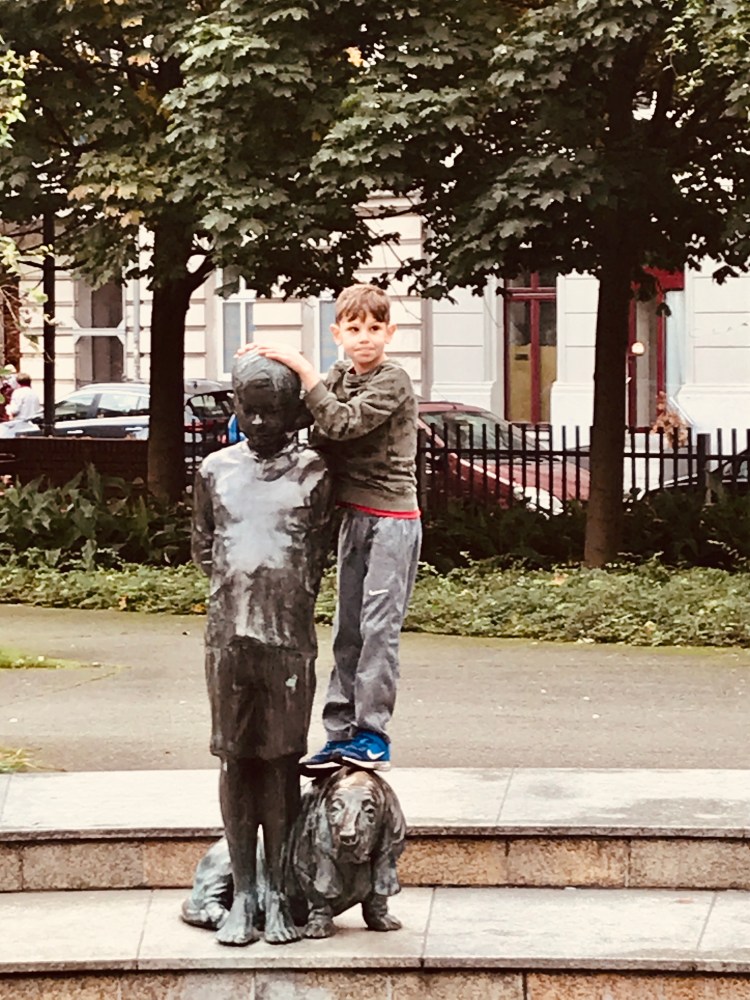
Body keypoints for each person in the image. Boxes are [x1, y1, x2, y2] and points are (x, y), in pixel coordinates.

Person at [250, 283, 422, 777]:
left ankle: (373, 735)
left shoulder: (393, 380)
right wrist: (265, 380)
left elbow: (343, 423)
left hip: (392, 522)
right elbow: (308, 418)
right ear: (337, 333)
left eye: (374, 328)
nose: (364, 337)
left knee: (378, 630)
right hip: (353, 518)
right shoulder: (340, 377)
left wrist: (303, 369)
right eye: (354, 328)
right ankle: (340, 733)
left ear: (389, 332)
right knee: (348, 630)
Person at [192, 351, 332, 946]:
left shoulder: (314, 471)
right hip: (229, 636)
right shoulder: (214, 470)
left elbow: (318, 551)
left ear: (293, 413)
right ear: (236, 407)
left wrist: (287, 598)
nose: (258, 423)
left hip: (287, 639)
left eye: (271, 412)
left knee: (280, 762)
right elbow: (204, 544)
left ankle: (277, 890)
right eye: (249, 411)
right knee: (234, 759)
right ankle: (243, 892)